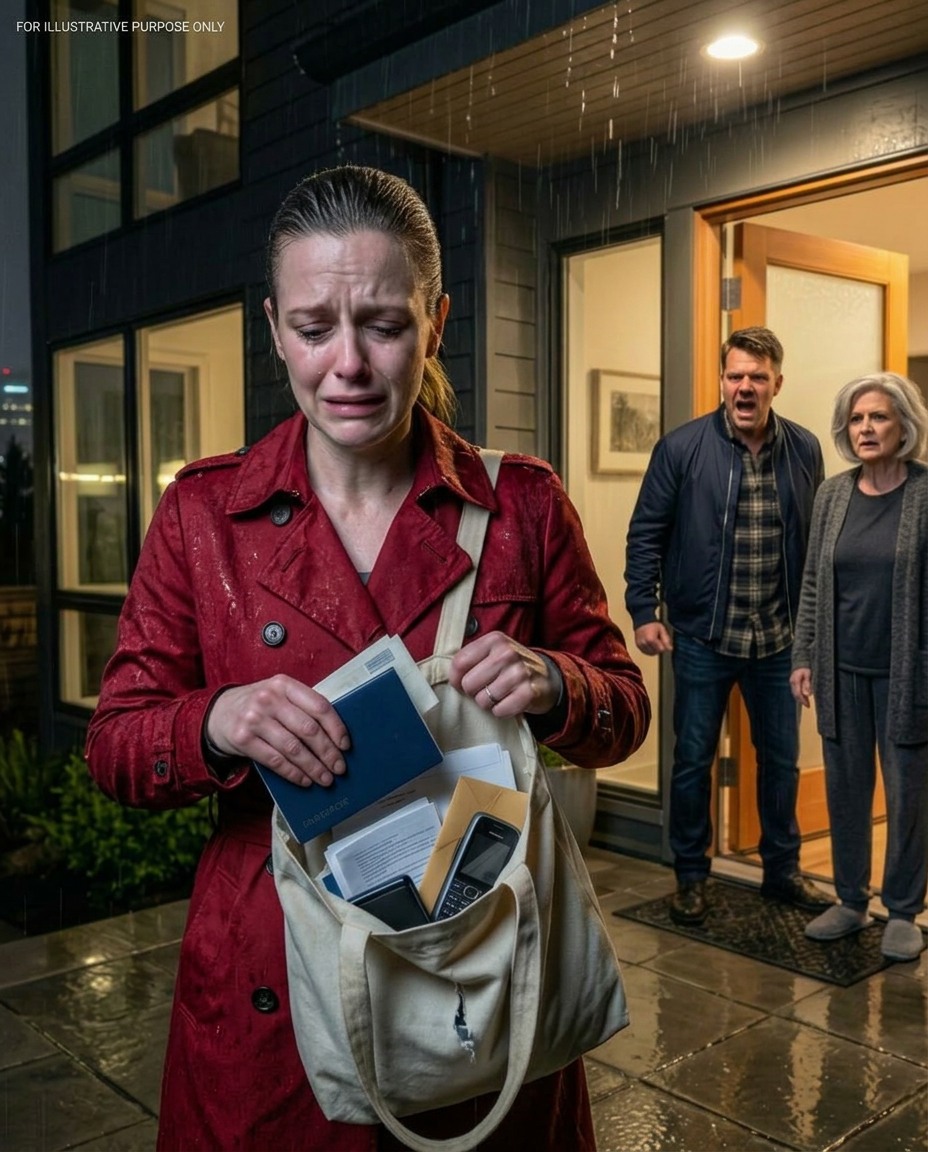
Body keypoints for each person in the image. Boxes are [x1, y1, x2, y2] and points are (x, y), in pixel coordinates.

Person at [85, 165, 651, 1152]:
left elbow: (624, 710)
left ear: (435, 324)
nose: (346, 364)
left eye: (383, 325)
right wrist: (217, 720)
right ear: (274, 329)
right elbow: (115, 746)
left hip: (475, 962)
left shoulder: (518, 504)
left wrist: (556, 682)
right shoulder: (202, 515)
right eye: (314, 328)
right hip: (274, 979)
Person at [624, 326, 835, 926]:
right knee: (693, 760)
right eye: (736, 375)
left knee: (781, 762)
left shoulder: (804, 449)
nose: (745, 387)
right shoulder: (681, 448)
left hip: (779, 641)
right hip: (702, 637)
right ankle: (691, 876)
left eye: (757, 377)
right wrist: (643, 610)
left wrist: (815, 630)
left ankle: (782, 871)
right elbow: (646, 533)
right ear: (722, 380)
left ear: (777, 384)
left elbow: (816, 544)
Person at [790, 372, 928, 963]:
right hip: (839, 670)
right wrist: (804, 655)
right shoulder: (833, 495)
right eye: (856, 419)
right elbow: (813, 582)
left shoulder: (924, 493)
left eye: (878, 417)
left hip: (907, 674)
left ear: (904, 426)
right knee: (845, 790)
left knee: (907, 796)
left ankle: (903, 910)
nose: (866, 428)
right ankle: (850, 900)